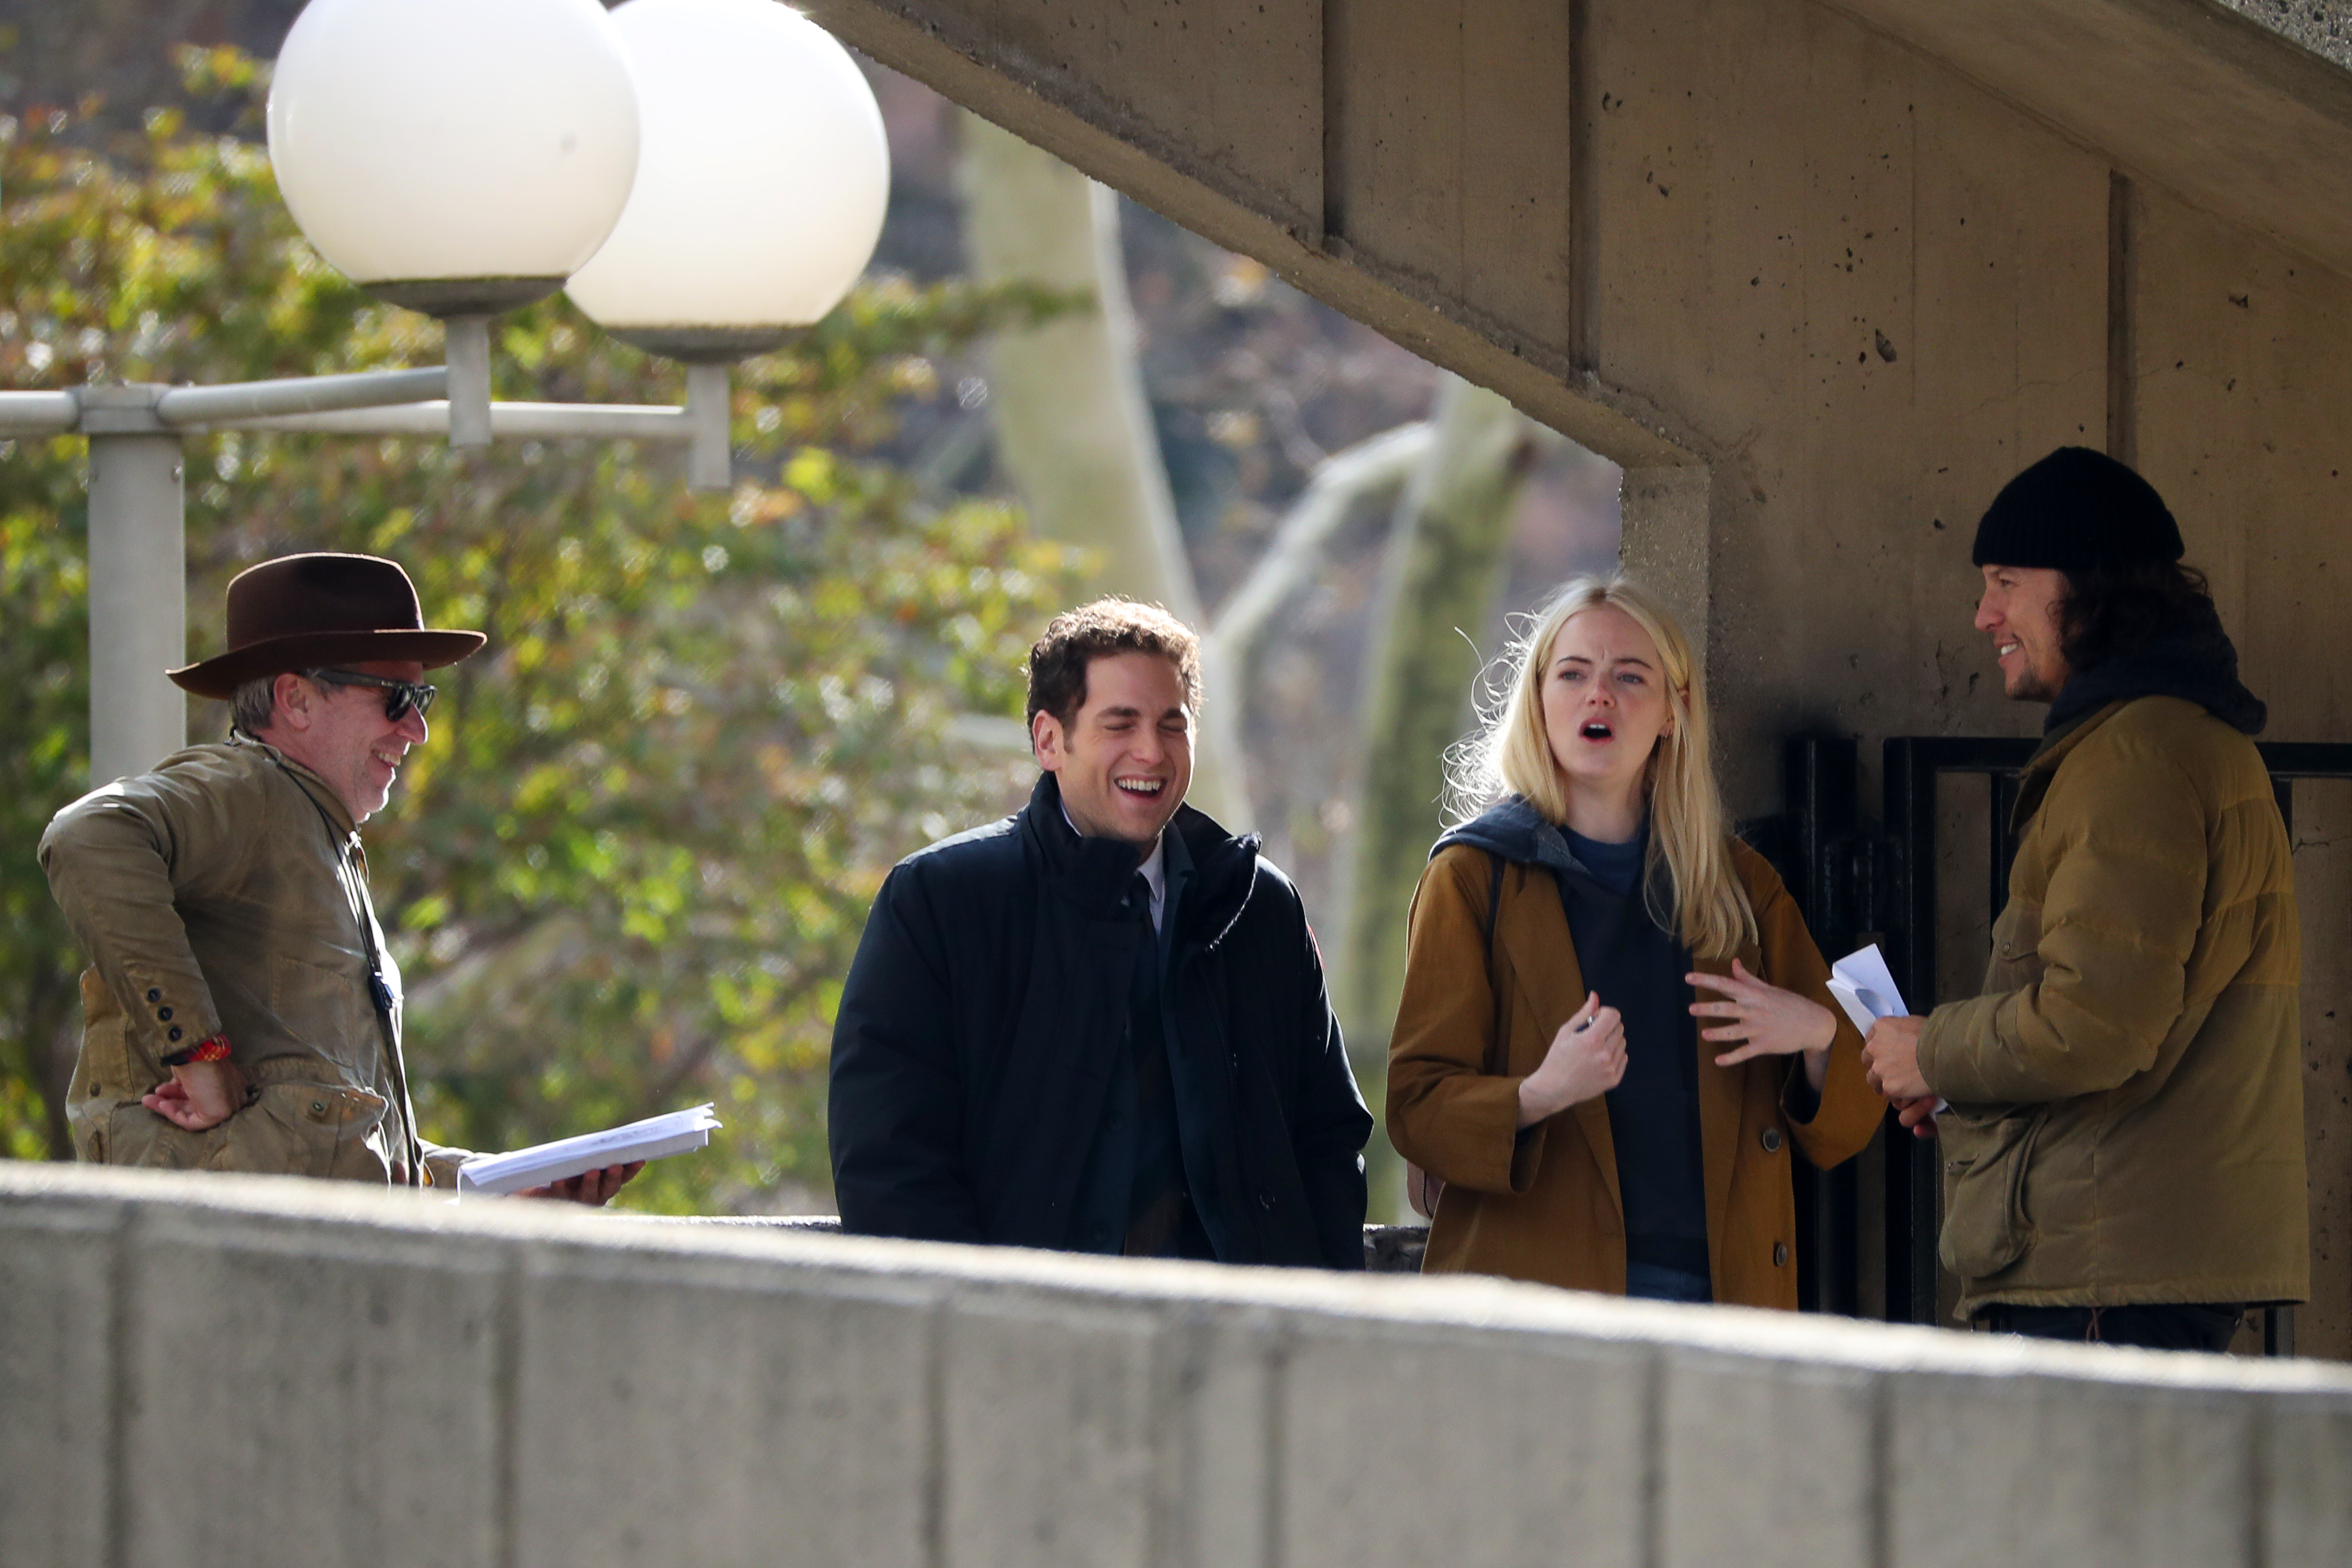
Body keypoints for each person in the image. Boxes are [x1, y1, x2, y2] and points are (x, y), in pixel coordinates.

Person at [1861, 447, 2305, 1350]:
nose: (1983, 614)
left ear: (2090, 590)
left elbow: (2095, 1025)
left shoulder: (2133, 761)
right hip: (2126, 1261)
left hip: (2104, 1281)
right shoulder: (2169, 743)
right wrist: (1956, 1080)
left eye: (2006, 582)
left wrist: (1933, 1049)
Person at [41, 552, 634, 1202]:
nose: (417, 729)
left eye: (422, 699)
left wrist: (507, 1188)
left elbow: (342, 1146)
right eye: (396, 698)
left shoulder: (311, 830)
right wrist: (199, 1054)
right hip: (220, 1253)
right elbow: (87, 834)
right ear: (296, 699)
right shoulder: (247, 790)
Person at [828, 598, 1371, 1266]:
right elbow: (888, 1156)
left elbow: (1326, 1137)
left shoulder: (1256, 906)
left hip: (1243, 1320)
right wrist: (977, 1313)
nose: (1150, 751)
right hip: (1018, 1319)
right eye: (1120, 724)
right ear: (1048, 740)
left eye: (1172, 725)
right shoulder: (940, 902)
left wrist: (1316, 1301)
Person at [1386, 574, 1880, 1306]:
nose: (1599, 695)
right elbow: (1416, 1109)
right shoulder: (1470, 876)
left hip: (1723, 1299)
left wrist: (1814, 1033)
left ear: (1673, 713)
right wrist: (1538, 1092)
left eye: (1629, 676)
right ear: (1538, 703)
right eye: (1572, 673)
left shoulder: (1739, 884)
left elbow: (1853, 1109)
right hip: (1541, 1308)